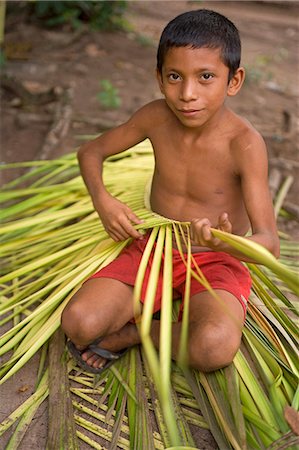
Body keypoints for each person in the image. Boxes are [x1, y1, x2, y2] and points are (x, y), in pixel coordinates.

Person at [61, 9, 280, 373]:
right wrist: (103, 201)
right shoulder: (155, 117)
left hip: (215, 260)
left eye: (206, 77)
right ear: (160, 79)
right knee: (79, 324)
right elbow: (91, 152)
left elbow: (269, 243)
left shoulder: (244, 144)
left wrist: (225, 244)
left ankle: (137, 334)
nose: (187, 94)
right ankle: (147, 312)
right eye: (175, 77)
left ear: (234, 80)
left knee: (212, 348)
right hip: (154, 247)